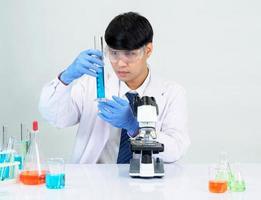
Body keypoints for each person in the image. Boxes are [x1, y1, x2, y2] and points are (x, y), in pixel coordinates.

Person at [39, 12, 190, 164]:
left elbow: (175, 149)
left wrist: (136, 127)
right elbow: (57, 118)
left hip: (146, 184)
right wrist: (66, 77)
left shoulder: (172, 93)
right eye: (114, 53)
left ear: (148, 50)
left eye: (130, 54)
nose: (120, 63)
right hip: (93, 182)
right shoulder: (92, 84)